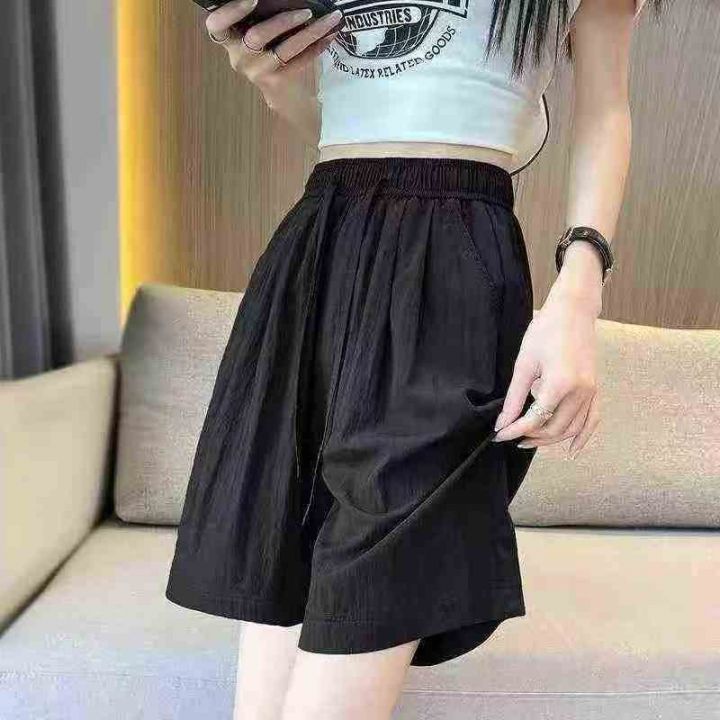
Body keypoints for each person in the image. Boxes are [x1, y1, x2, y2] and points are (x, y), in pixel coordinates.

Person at [165, 0, 653, 717]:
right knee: (276, 620)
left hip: (452, 256)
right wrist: (272, 74)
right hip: (317, 245)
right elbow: (340, 123)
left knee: (369, 589)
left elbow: (606, 111)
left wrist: (578, 298)